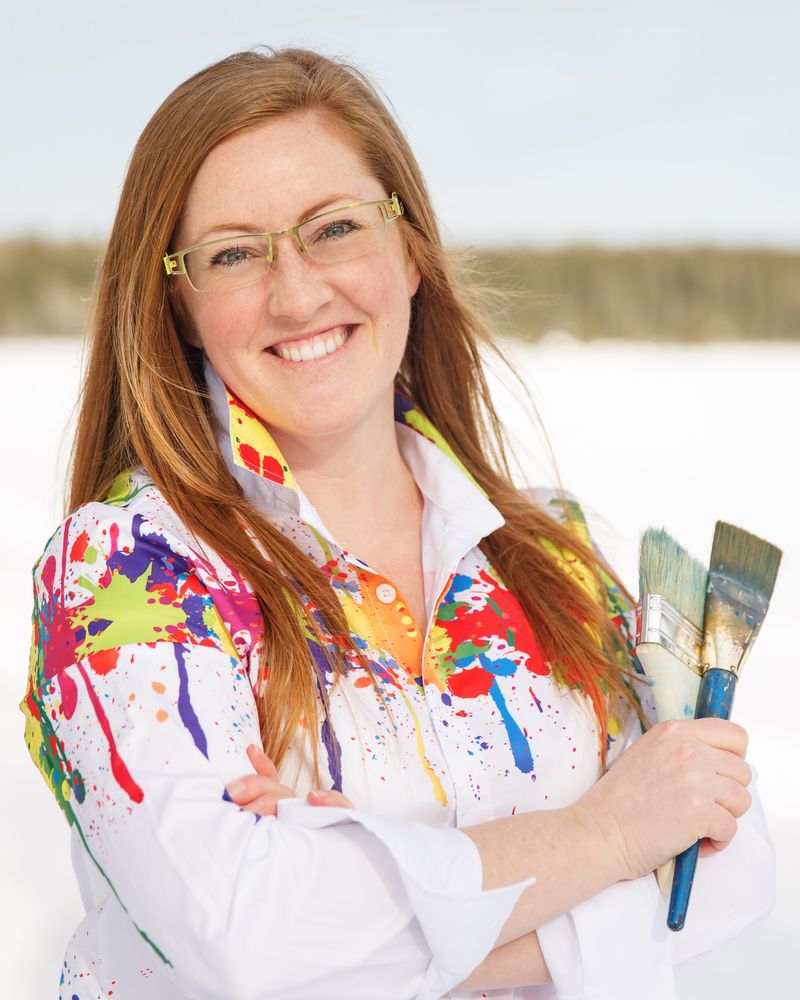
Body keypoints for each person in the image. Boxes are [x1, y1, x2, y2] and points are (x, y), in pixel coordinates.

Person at [20, 48, 773, 1000]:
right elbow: (251, 946)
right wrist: (607, 837)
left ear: (410, 250)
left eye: (334, 228)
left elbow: (732, 865)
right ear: (179, 301)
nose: (296, 293)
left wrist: (370, 895)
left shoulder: (546, 549)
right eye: (233, 253)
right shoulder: (127, 572)